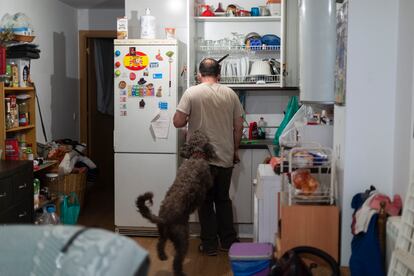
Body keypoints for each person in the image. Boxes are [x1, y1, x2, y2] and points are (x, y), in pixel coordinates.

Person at [173, 58, 244, 256]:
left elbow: (177, 122)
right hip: (225, 155)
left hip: (200, 158)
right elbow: (239, 126)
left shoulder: (192, 92)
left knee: (204, 202)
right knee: (223, 200)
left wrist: (189, 116)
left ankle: (210, 245)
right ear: (218, 74)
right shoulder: (230, 93)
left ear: (199, 74)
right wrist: (234, 149)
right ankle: (228, 242)